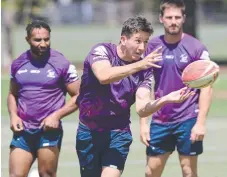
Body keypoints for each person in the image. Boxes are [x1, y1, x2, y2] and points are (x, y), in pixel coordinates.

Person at [75, 15, 194, 177]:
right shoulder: (102, 51)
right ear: (123, 39)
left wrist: (166, 99)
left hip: (118, 133)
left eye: (145, 42)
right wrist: (139, 65)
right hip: (88, 132)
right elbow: (104, 76)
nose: (142, 47)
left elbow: (142, 109)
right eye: (138, 41)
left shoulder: (144, 70)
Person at [140, 1, 213, 177]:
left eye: (177, 17)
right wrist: (144, 123)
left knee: (188, 171)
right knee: (151, 171)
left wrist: (200, 124)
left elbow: (206, 88)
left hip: (188, 118)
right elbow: (144, 85)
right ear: (161, 19)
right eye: (169, 17)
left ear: (183, 19)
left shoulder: (196, 47)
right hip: (160, 119)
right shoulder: (151, 47)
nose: (173, 21)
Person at [8, 20, 80, 177]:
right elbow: (12, 94)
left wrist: (57, 115)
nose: (43, 44)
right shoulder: (18, 64)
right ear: (27, 40)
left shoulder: (61, 63)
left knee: (46, 174)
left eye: (46, 39)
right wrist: (13, 115)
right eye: (37, 40)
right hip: (23, 131)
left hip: (49, 132)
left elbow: (79, 96)